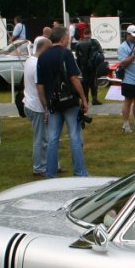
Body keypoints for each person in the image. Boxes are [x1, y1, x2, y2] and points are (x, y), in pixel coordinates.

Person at [35, 26, 89, 179]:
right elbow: (74, 78)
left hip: (53, 102)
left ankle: (50, 173)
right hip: (69, 100)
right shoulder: (66, 54)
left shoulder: (42, 57)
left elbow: (40, 84)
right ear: (63, 38)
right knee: (74, 136)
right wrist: (84, 98)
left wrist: (46, 105)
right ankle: (80, 172)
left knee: (53, 138)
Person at [23, 36, 51, 176]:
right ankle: (39, 167)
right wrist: (46, 108)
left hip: (28, 102)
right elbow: (40, 88)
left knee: (45, 137)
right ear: (44, 49)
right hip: (37, 106)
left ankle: (49, 163)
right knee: (41, 138)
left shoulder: (29, 60)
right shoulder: (37, 64)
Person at [116, 24, 135, 134]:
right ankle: (125, 124)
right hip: (129, 79)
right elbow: (123, 63)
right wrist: (134, 54)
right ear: (127, 35)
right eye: (133, 36)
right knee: (128, 102)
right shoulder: (122, 47)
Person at [74, 25, 103, 106]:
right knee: (94, 82)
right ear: (90, 34)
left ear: (84, 34)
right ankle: (94, 99)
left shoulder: (79, 43)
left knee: (85, 83)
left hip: (83, 67)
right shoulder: (94, 42)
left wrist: (79, 66)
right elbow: (100, 53)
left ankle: (85, 99)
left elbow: (77, 56)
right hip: (93, 66)